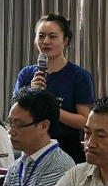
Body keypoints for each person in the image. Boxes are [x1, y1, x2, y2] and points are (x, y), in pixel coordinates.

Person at [14, 13, 94, 163]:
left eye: (52, 36)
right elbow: (16, 116)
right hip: (31, 146)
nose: (45, 42)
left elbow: (84, 121)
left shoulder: (79, 76)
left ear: (65, 40)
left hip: (66, 147)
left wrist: (48, 105)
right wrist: (31, 94)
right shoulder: (26, 74)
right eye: (41, 36)